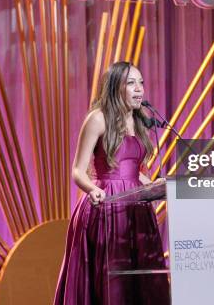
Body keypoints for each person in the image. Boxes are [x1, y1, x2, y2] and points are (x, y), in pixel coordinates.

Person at [54, 61, 170, 305]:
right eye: (131, 83)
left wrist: (160, 187)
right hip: (105, 207)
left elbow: (134, 173)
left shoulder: (140, 123)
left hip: (136, 210)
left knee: (137, 283)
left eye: (141, 83)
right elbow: (77, 170)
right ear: (116, 87)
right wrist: (92, 189)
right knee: (111, 283)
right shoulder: (97, 119)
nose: (139, 89)